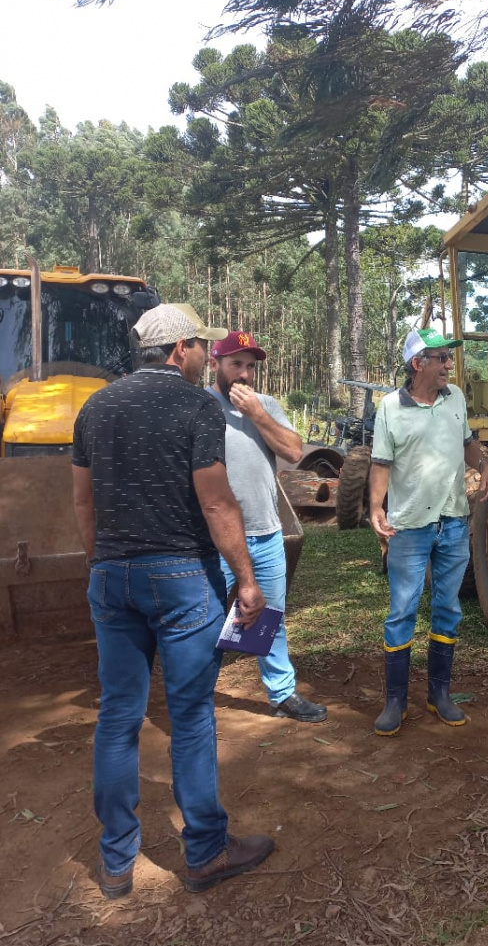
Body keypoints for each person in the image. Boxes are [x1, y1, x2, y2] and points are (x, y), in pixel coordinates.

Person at [72, 303, 276, 900]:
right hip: (182, 577)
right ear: (180, 348)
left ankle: (116, 861)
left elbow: (83, 502)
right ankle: (206, 852)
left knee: (118, 716)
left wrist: (104, 563)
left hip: (112, 577)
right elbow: (216, 502)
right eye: (200, 347)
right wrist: (247, 580)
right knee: (189, 716)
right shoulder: (195, 406)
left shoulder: (94, 407)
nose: (205, 357)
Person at [369, 328, 488, 737]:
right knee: (402, 611)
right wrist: (376, 507)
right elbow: (381, 463)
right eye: (441, 358)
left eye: (448, 357)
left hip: (454, 522)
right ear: (417, 364)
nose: (448, 365)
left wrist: (484, 464)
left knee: (448, 609)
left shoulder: (455, 397)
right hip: (409, 527)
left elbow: (467, 442)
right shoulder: (391, 407)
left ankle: (439, 694)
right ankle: (396, 701)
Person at [207, 330, 327, 723]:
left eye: (250, 367)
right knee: (206, 621)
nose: (244, 374)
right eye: (235, 364)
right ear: (215, 364)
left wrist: (257, 414)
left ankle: (281, 694)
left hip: (266, 533)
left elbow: (293, 450)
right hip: (218, 540)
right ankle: (197, 699)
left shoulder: (267, 405)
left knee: (268, 617)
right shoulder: (201, 406)